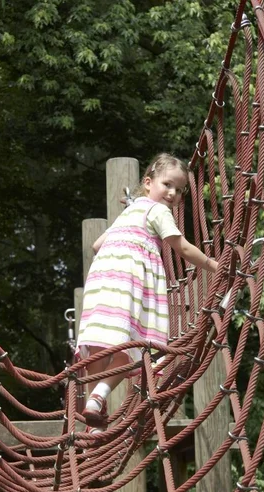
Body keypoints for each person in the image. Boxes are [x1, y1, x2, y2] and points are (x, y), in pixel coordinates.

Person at [76, 152, 218, 432]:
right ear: (149, 182)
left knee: (99, 345)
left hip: (103, 281)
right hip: (130, 282)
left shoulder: (131, 210)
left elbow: (96, 246)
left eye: (179, 190)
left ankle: (93, 413)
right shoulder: (158, 211)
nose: (173, 194)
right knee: (133, 345)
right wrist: (214, 265)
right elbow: (182, 247)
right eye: (167, 185)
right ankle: (100, 395)